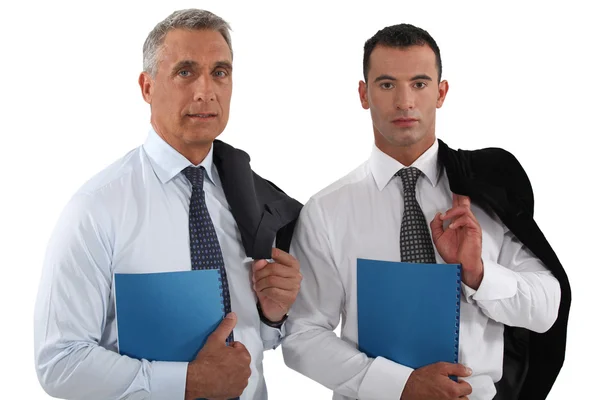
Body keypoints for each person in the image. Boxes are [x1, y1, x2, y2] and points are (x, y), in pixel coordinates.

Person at [282, 23, 570, 400]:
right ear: (363, 94)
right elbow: (302, 335)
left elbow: (547, 308)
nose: (405, 102)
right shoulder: (326, 210)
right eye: (387, 85)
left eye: (419, 84)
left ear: (441, 92)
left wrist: (478, 272)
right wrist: (398, 385)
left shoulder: (486, 193)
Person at [34, 9, 303, 400]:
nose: (205, 91)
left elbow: (248, 338)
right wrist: (186, 382)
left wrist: (272, 315)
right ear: (147, 87)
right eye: (185, 72)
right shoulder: (96, 209)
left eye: (220, 73)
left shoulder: (254, 199)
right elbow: (58, 362)